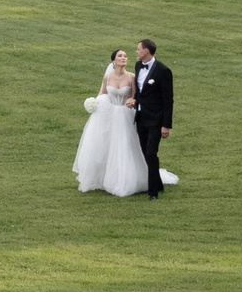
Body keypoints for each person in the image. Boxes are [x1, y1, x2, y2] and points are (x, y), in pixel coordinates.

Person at [73, 48, 156, 197]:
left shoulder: (131, 77)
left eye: (125, 56)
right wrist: (93, 103)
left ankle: (126, 179)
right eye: (120, 56)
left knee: (125, 146)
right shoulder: (108, 77)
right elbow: (103, 94)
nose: (124, 58)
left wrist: (133, 99)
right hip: (111, 115)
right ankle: (106, 177)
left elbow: (136, 95)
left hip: (125, 114)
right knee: (109, 146)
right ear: (114, 60)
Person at [126, 39, 176, 199]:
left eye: (138, 49)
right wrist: (135, 100)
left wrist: (166, 125)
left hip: (155, 120)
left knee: (151, 153)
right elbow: (140, 91)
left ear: (146, 51)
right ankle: (158, 183)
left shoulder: (163, 71)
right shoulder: (138, 66)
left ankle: (152, 192)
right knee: (143, 152)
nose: (136, 52)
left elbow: (168, 100)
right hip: (141, 117)